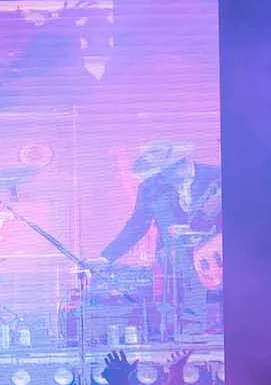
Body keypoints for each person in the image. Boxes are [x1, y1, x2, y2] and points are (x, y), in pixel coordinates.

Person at [89, 141, 222, 341]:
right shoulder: (151, 187)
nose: (162, 177)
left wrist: (201, 230)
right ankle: (184, 326)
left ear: (182, 163)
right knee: (177, 260)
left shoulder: (216, 177)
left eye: (165, 171)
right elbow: (136, 225)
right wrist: (106, 258)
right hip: (175, 251)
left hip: (218, 246)